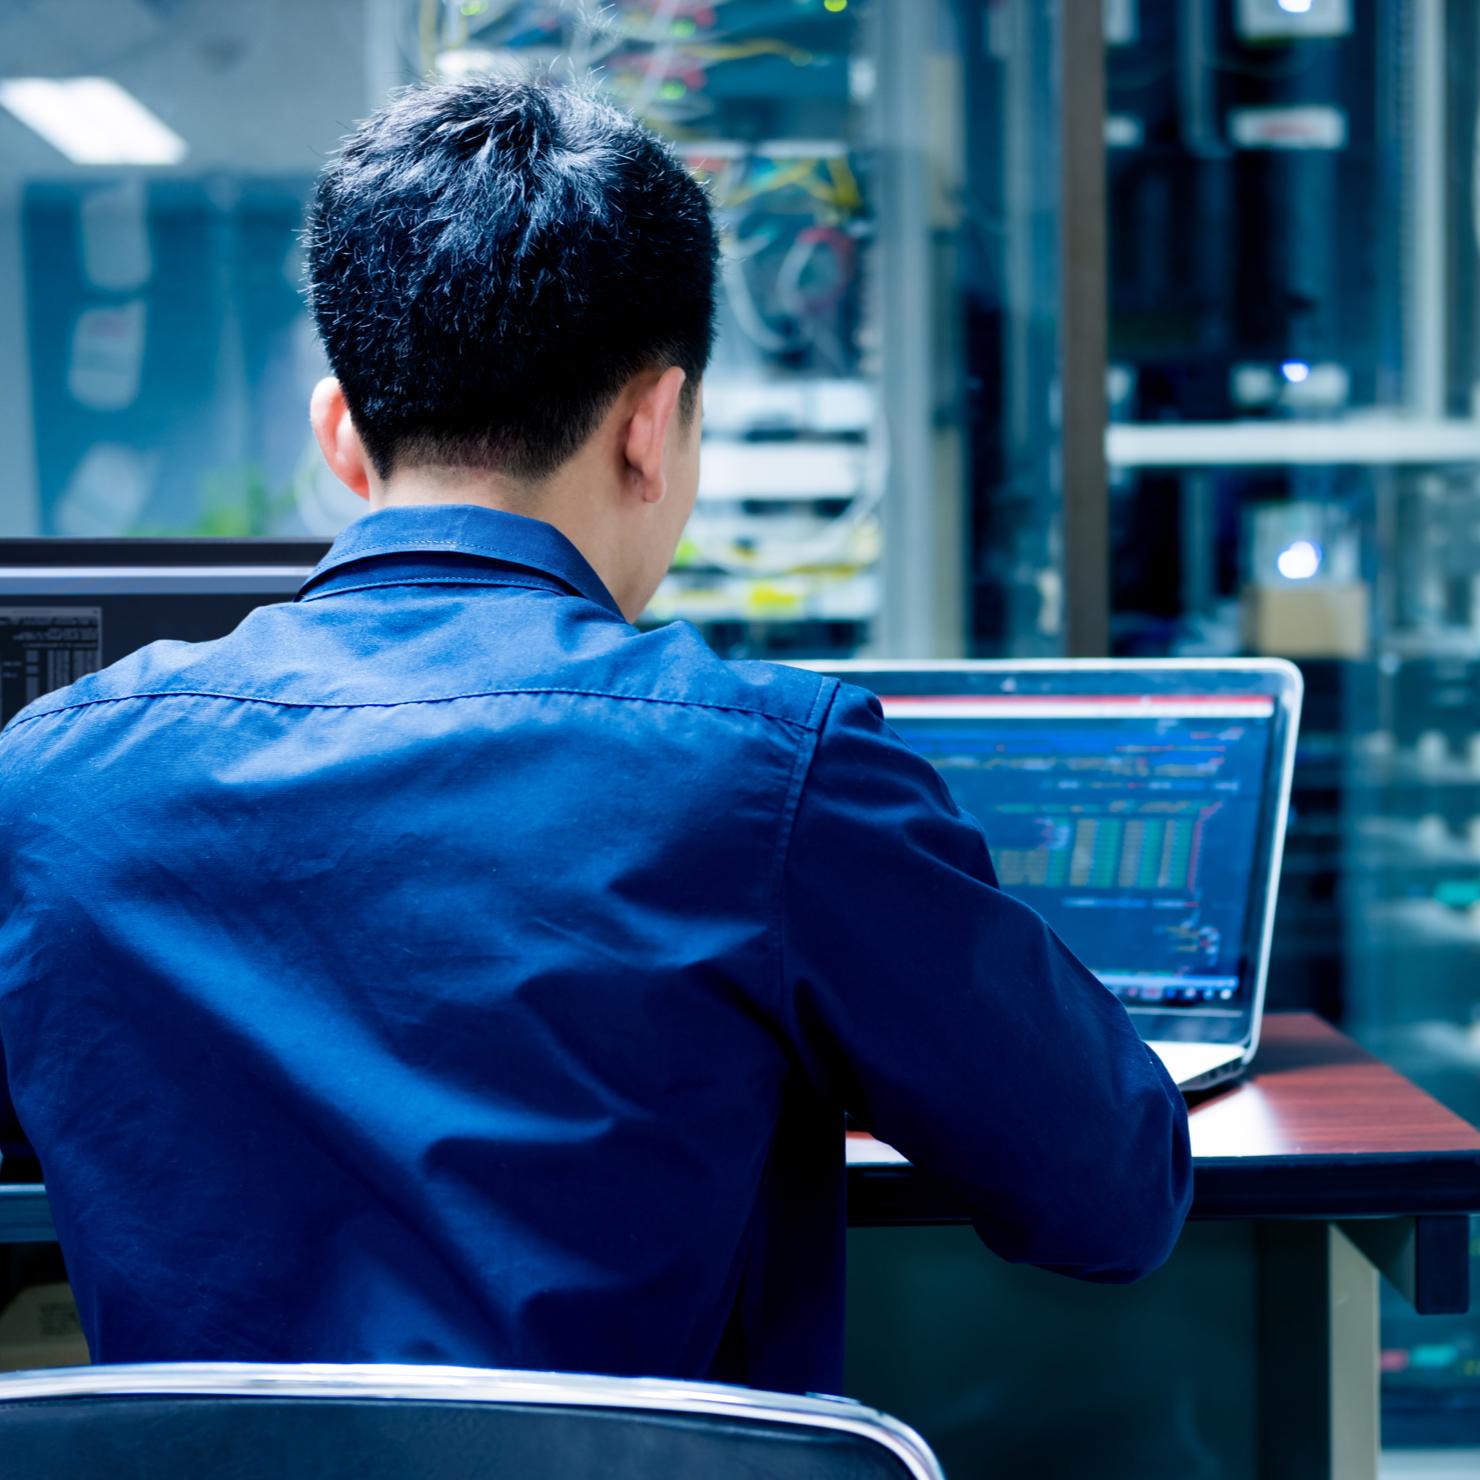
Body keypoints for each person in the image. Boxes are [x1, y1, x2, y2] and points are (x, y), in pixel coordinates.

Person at [0, 75, 1190, 1393]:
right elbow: (1110, 1194)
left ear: (343, 436)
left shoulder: (50, 782)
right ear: (650, 428)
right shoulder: (768, 777)